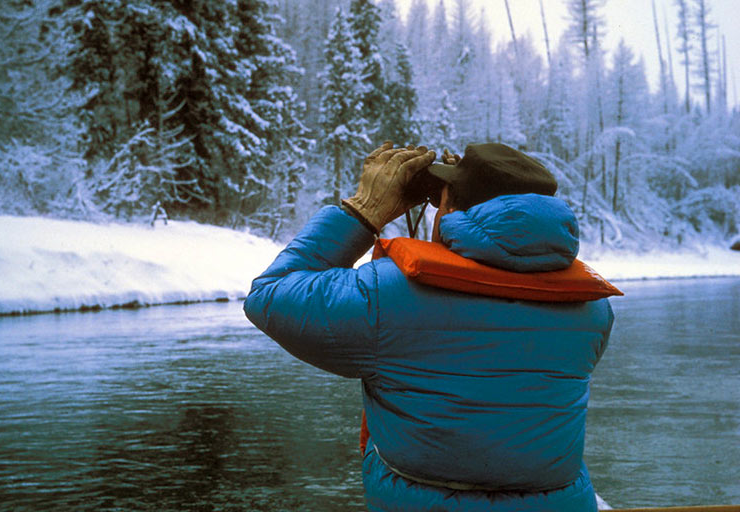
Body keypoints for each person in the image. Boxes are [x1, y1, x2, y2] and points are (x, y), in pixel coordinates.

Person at [244, 142, 616, 511]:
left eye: (441, 199)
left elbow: (269, 296)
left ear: (451, 208)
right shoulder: (592, 309)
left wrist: (363, 212)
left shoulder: (385, 297)